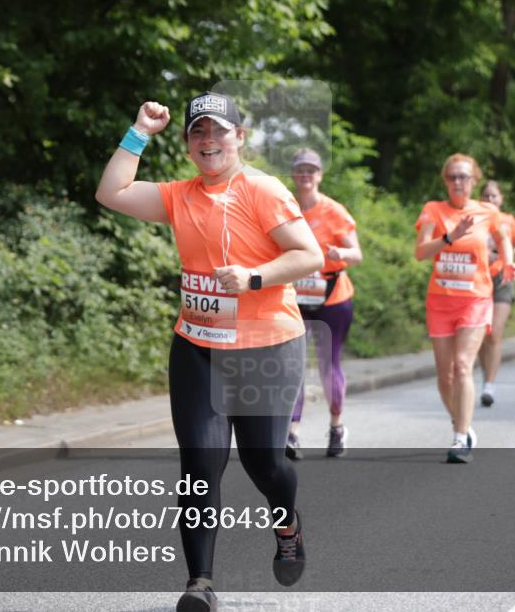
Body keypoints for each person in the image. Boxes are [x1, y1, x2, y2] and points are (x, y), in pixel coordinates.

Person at [96, 92, 324, 612]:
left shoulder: (261, 190)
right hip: (199, 344)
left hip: (266, 345)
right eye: (198, 132)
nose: (208, 141)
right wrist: (139, 132)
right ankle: (200, 584)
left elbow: (309, 254)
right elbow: (111, 192)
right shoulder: (179, 195)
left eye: (219, 131)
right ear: (187, 145)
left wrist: (254, 277)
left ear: (239, 138)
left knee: (264, 462)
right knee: (200, 465)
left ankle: (286, 521)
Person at [414, 154, 515, 463]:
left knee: (462, 366)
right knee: (445, 376)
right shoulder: (433, 210)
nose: (458, 182)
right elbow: (420, 251)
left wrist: (508, 260)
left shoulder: (488, 211)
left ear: (474, 181)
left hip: (475, 298)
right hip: (440, 301)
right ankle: (462, 423)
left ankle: (460, 438)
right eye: (452, 177)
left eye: (464, 177)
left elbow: (504, 236)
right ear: (445, 181)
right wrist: (449, 237)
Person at [285, 148, 362, 459]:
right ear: (293, 174)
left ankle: (336, 426)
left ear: (319, 175)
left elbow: (357, 254)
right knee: (293, 367)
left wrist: (340, 254)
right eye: (300, 169)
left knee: (329, 366)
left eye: (311, 170)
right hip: (294, 297)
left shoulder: (334, 211)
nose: (305, 175)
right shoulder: (284, 207)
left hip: (333, 297)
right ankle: (292, 433)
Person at [475, 180, 515, 407]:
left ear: (501, 199)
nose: (490, 200)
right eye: (486, 196)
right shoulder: (473, 218)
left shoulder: (509, 221)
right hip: (477, 279)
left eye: (494, 196)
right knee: (481, 336)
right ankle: (486, 375)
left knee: (494, 333)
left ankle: (489, 385)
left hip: (502, 280)